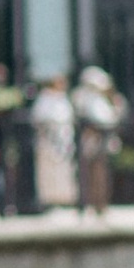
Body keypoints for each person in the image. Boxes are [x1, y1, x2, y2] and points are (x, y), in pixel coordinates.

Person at [76, 64, 127, 212]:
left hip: (100, 142)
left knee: (99, 173)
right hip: (95, 142)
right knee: (95, 173)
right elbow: (105, 120)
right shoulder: (89, 99)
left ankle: (99, 204)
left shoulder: (100, 99)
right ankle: (96, 204)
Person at [31, 71, 79, 213]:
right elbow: (40, 119)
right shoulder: (45, 99)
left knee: (64, 174)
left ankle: (64, 203)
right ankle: (49, 204)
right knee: (49, 175)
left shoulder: (64, 99)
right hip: (49, 143)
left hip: (64, 143)